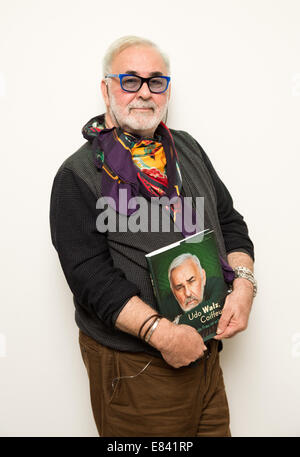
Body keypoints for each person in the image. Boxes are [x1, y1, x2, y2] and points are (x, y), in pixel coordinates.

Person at [50, 35, 256, 437]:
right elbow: (90, 278)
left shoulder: (187, 149)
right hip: (137, 369)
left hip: (206, 355)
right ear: (106, 88)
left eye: (156, 81)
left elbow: (229, 222)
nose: (144, 93)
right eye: (130, 80)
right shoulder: (77, 175)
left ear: (167, 90)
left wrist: (245, 286)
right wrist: (161, 334)